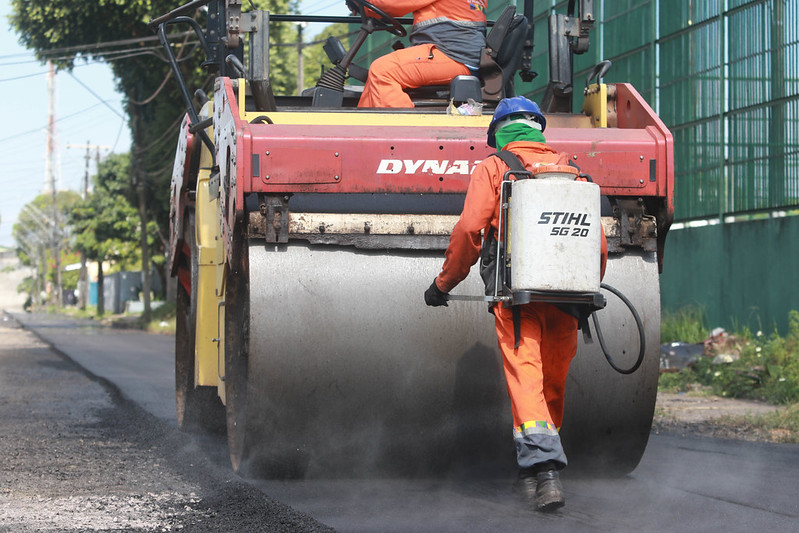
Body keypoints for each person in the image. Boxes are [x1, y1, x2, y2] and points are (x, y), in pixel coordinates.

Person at [423, 96, 608, 512]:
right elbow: (596, 245)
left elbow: (470, 229)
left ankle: (543, 471)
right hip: (569, 295)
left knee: (526, 374)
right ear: (539, 129)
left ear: (499, 134)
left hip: (519, 298)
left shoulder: (494, 167)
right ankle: (532, 472)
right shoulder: (572, 172)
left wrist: (444, 284)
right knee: (552, 380)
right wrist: (584, 287)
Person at [352, 0, 488, 108]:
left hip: (453, 54)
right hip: (459, 53)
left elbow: (389, 4)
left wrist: (360, 3)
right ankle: (359, 136)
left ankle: (402, 137)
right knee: (377, 79)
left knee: (383, 71)